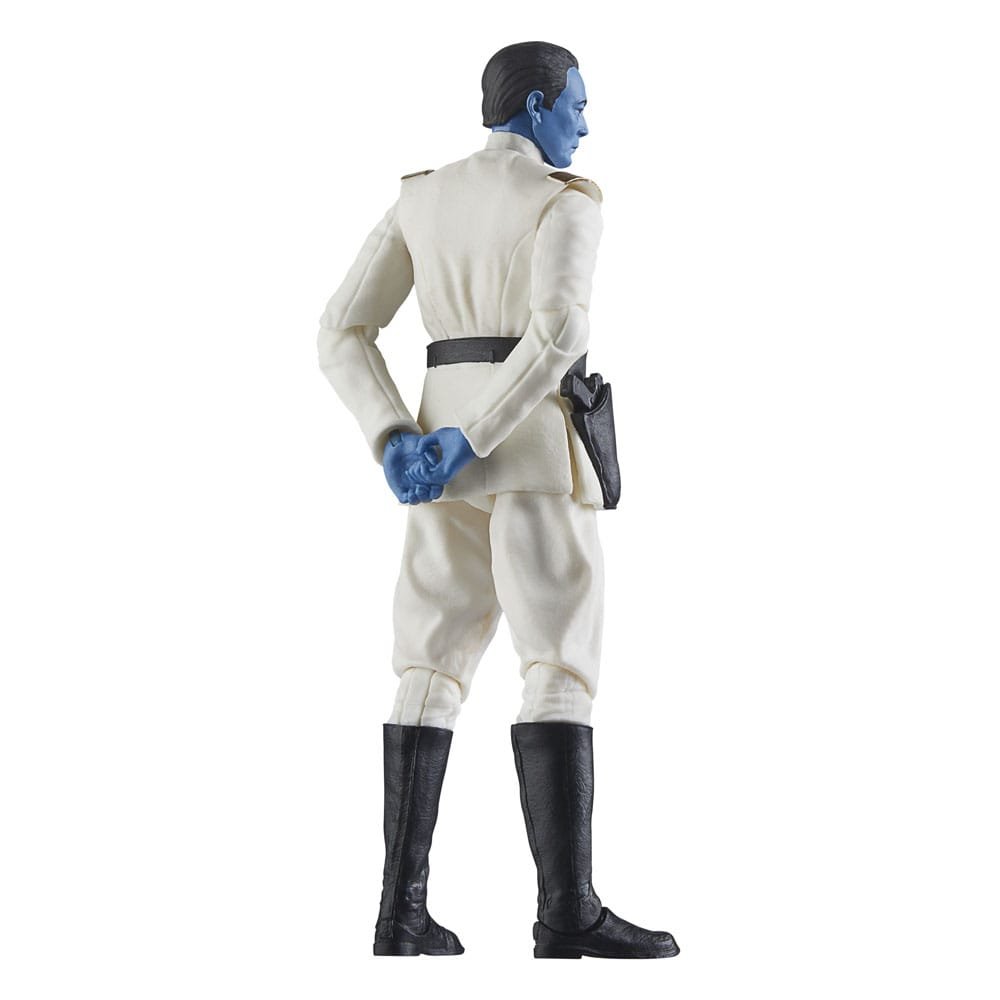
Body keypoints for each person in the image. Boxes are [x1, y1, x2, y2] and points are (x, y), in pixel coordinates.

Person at [318, 41, 678, 959]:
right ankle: (567, 911)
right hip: (529, 452)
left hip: (435, 459)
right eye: (577, 106)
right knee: (558, 659)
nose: (585, 125)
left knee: (428, 663)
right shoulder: (565, 201)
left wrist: (396, 436)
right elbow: (557, 336)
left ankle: (400, 915)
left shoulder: (423, 197)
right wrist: (475, 435)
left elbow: (342, 330)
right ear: (537, 107)